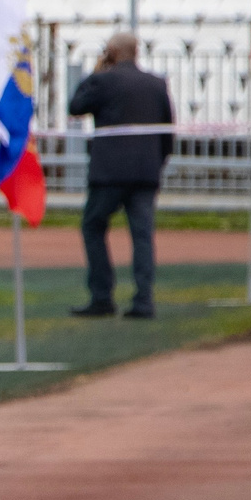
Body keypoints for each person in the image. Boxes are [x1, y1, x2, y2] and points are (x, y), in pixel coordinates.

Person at [66, 29, 174, 319]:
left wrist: (97, 70)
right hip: (145, 172)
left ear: (111, 52)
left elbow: (75, 106)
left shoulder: (103, 81)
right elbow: (167, 130)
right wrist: (157, 162)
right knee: (142, 235)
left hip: (109, 174)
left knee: (93, 226)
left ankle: (102, 296)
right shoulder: (156, 84)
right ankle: (144, 300)